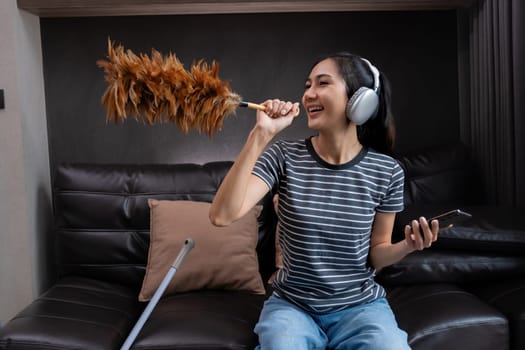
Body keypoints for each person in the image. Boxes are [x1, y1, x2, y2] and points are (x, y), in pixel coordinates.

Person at [209, 52, 439, 350]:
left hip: (360, 308)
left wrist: (408, 245)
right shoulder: (284, 157)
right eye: (307, 85)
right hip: (292, 306)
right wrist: (261, 133)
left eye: (322, 83)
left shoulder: (387, 171)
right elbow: (222, 216)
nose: (308, 95)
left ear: (360, 100)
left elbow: (377, 254)